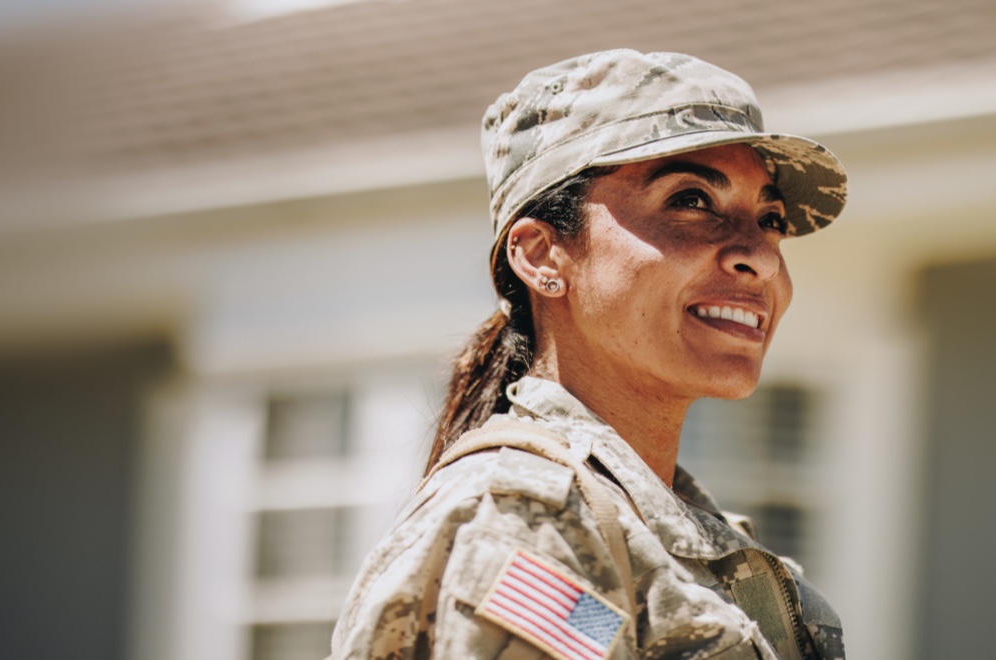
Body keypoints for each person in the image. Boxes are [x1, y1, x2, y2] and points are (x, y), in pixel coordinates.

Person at [329, 50, 849, 660]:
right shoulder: (524, 525)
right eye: (691, 200)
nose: (758, 255)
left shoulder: (682, 540)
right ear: (543, 256)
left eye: (769, 218)